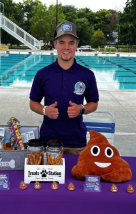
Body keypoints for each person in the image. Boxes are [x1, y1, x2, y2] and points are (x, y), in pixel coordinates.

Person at [29, 21, 99, 154]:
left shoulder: (87, 75)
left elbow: (94, 103)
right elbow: (33, 103)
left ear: (76, 45)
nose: (66, 47)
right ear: (55, 44)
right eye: (61, 42)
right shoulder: (43, 74)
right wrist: (45, 110)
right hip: (48, 143)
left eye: (71, 42)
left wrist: (81, 109)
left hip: (77, 144)